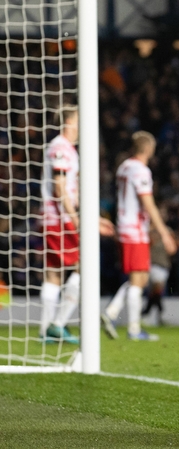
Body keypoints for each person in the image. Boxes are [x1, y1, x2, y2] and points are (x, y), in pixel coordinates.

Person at [40, 107, 115, 344]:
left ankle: (46, 331)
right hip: (60, 218)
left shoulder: (66, 149)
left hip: (56, 217)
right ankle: (57, 324)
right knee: (84, 266)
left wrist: (93, 218)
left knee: (54, 275)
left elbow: (72, 191)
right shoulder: (61, 147)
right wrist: (76, 218)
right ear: (71, 122)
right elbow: (60, 187)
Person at [102, 131, 177, 341]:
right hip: (134, 229)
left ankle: (111, 312)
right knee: (138, 279)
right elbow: (148, 202)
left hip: (125, 226)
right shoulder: (140, 170)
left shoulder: (124, 166)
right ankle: (134, 329)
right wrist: (164, 233)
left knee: (141, 277)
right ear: (149, 149)